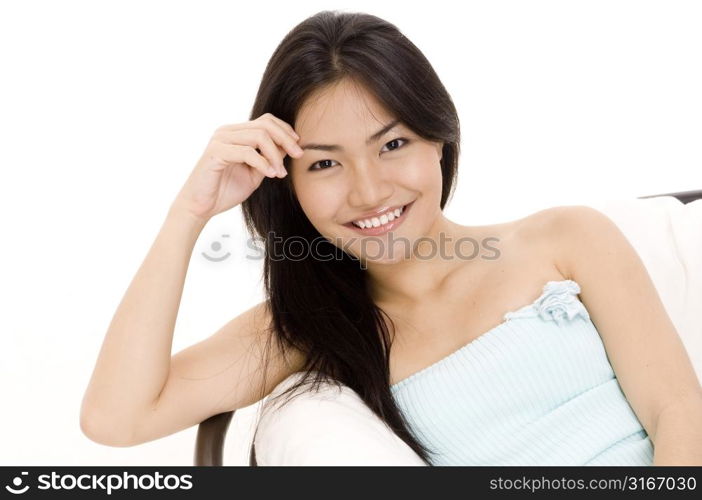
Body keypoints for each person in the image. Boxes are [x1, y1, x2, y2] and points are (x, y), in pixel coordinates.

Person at [80, 10, 702, 465]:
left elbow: (679, 414)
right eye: (325, 163)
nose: (370, 191)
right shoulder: (307, 328)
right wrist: (187, 214)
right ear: (287, 182)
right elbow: (116, 418)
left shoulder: (568, 238)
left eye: (393, 145)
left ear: (439, 138)